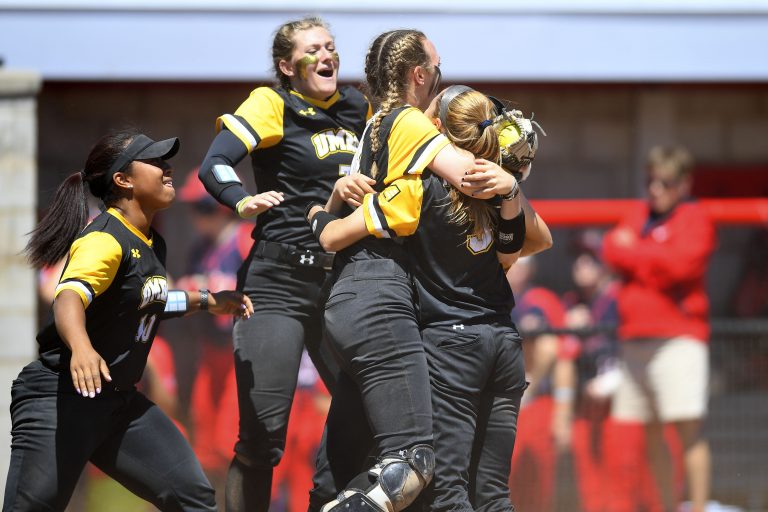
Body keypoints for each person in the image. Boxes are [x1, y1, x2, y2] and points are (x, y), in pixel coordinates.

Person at [304, 30, 518, 512]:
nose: (441, 81)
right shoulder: (406, 121)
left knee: (339, 467)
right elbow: (469, 178)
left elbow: (330, 231)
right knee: (415, 460)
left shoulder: (372, 125)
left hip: (348, 296)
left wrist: (324, 210)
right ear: (419, 75)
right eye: (438, 71)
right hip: (380, 299)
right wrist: (508, 176)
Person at [4, 128, 254, 512]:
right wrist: (82, 348)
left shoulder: (150, 239)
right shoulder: (104, 238)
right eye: (155, 162)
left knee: (192, 495)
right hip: (60, 398)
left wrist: (208, 301)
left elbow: (144, 300)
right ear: (123, 179)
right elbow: (68, 296)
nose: (167, 168)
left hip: (117, 402)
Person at [196, 16, 372, 512]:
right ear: (286, 65)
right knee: (263, 435)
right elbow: (215, 164)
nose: (326, 55)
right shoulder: (272, 103)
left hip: (342, 280)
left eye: (331, 46)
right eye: (313, 48)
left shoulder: (359, 105)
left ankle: (325, 502)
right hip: (277, 283)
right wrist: (240, 199)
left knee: (369, 407)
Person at [602, 145, 716, 512]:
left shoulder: (695, 218)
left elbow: (681, 266)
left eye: (664, 183)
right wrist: (651, 259)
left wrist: (636, 254)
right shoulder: (639, 213)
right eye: (651, 181)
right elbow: (611, 248)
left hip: (678, 340)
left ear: (683, 184)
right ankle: (666, 507)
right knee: (650, 434)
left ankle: (696, 508)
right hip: (635, 338)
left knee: (688, 431)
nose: (655, 190)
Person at [175, 172, 251, 496]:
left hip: (240, 357)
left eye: (200, 208)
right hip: (210, 354)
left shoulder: (244, 240)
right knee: (204, 441)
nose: (195, 217)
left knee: (230, 439)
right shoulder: (200, 250)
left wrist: (213, 290)